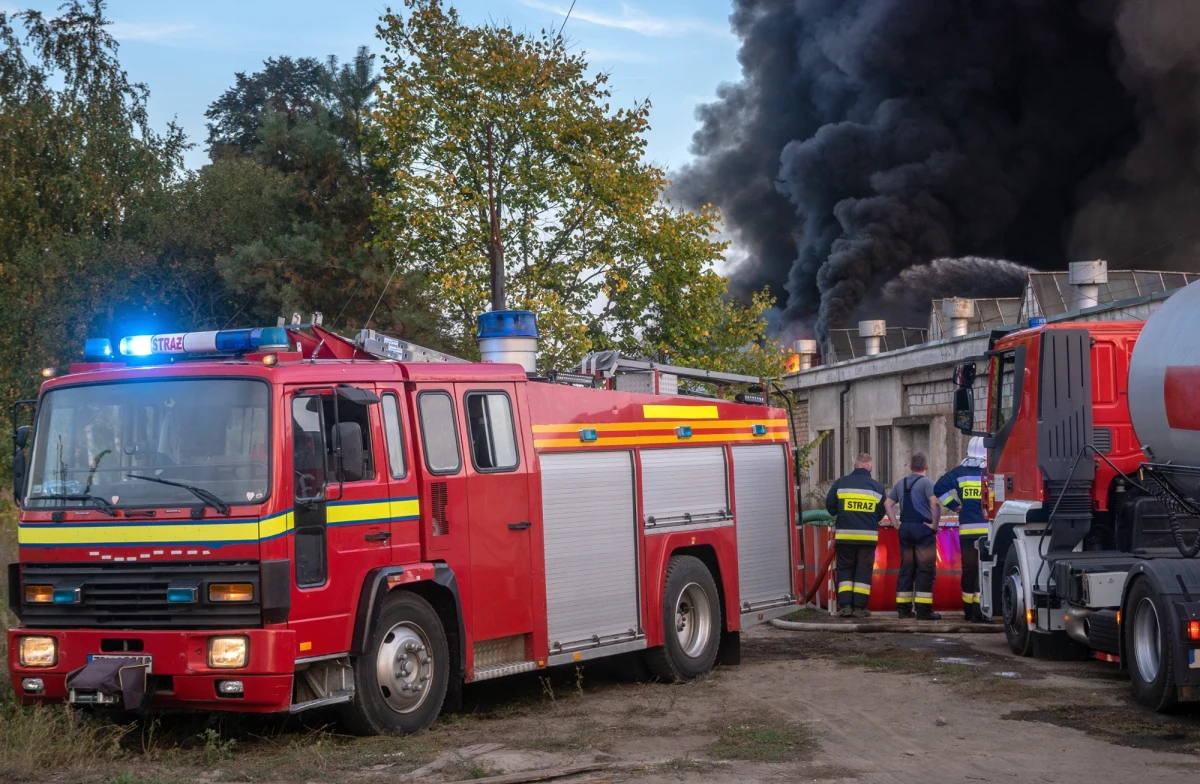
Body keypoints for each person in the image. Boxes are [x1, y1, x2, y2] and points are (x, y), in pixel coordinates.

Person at [934, 437, 989, 622]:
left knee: (969, 570)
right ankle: (981, 611)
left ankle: (968, 612)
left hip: (967, 532)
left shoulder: (958, 473)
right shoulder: (991, 472)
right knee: (985, 570)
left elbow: (938, 487)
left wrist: (955, 506)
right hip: (989, 532)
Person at [825, 453, 886, 618]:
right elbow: (881, 512)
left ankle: (845, 607)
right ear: (870, 468)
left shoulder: (841, 483)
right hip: (868, 538)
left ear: (855, 466)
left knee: (845, 570)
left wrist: (843, 515)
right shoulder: (878, 488)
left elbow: (830, 506)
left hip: (845, 536)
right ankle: (859, 608)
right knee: (863, 571)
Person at [885, 453, 942, 620]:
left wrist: (896, 524)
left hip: (905, 529)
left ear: (910, 467)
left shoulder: (900, 483)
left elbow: (888, 504)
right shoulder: (927, 483)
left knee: (906, 569)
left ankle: (903, 610)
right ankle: (924, 611)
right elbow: (935, 503)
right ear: (926, 467)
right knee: (925, 570)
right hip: (923, 529)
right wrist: (934, 525)